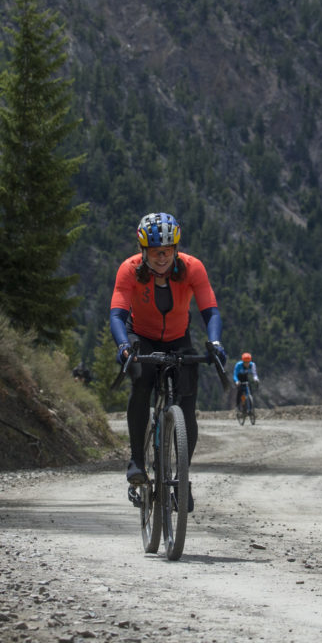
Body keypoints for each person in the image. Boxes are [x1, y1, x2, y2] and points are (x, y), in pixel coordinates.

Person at [109, 212, 226, 511]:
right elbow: (117, 315)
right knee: (142, 380)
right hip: (141, 336)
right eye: (154, 251)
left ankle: (181, 479)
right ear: (143, 250)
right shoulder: (129, 270)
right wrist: (124, 345)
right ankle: (137, 460)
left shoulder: (192, 268)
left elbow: (210, 310)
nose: (161, 258)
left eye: (167, 251)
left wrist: (214, 342)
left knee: (187, 407)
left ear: (175, 249)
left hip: (178, 337)